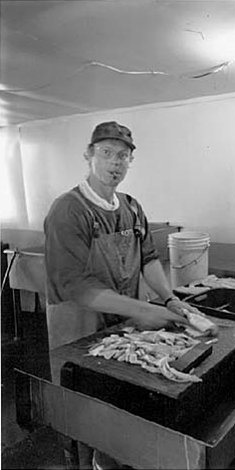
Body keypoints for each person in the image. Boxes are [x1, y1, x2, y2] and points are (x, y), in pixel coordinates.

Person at [43, 121, 201, 469]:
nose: (115, 163)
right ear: (89, 154)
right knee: (83, 413)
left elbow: (148, 259)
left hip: (123, 329)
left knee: (120, 411)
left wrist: (170, 299)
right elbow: (75, 285)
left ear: (132, 160)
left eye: (123, 156)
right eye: (106, 153)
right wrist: (141, 310)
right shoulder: (68, 210)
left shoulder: (131, 207)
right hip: (81, 331)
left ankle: (111, 459)